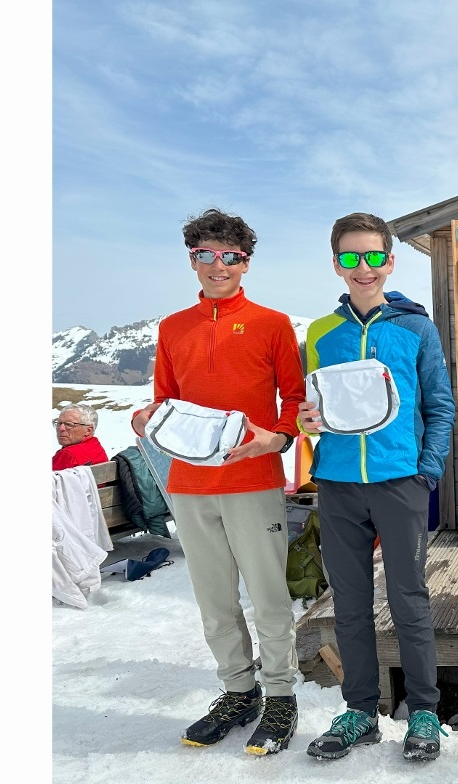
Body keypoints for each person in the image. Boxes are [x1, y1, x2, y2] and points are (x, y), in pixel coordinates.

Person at [130, 208, 304, 755]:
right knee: (214, 602)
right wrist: (145, 418)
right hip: (188, 484)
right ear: (192, 260)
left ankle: (280, 697)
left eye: (230, 256)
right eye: (205, 254)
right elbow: (164, 401)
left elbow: (295, 402)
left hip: (253, 480)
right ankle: (238, 691)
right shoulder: (172, 327)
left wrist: (276, 440)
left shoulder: (272, 323)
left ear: (246, 263)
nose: (218, 265)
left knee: (270, 598)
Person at [299, 212, 456, 762]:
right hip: (338, 484)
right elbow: (306, 406)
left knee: (410, 598)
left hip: (399, 482)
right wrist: (304, 422)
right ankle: (361, 711)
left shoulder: (415, 327)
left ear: (389, 261)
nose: (361, 268)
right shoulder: (321, 333)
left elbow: (440, 405)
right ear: (337, 264)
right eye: (349, 257)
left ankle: (425, 711)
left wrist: (426, 471)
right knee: (349, 602)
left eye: (371, 256)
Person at [53, 403, 108, 469]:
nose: (61, 428)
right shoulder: (96, 447)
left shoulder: (68, 455)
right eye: (59, 423)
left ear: (88, 430)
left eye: (69, 424)